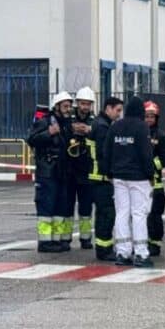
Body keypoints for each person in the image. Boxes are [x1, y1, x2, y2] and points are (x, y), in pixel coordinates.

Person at [105, 97, 156, 267]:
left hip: (119, 177)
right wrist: (150, 174)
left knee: (122, 213)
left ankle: (122, 252)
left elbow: (107, 151)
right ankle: (141, 254)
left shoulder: (115, 126)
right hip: (138, 178)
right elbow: (145, 154)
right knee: (139, 214)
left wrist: (108, 172)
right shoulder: (142, 127)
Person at [26, 91, 74, 253]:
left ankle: (57, 240)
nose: (68, 109)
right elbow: (31, 139)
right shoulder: (45, 121)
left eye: (69, 106)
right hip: (47, 172)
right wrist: (49, 133)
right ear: (57, 107)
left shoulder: (67, 124)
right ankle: (45, 242)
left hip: (62, 172)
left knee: (60, 207)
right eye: (65, 106)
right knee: (46, 207)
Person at [64, 86, 98, 250]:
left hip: (86, 170)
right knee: (67, 206)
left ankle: (85, 239)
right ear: (77, 103)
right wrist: (71, 129)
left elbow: (100, 134)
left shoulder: (95, 121)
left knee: (86, 208)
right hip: (70, 170)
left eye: (88, 104)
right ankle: (66, 239)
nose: (85, 107)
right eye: (83, 103)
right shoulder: (68, 119)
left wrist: (89, 130)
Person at [90, 96, 123, 261]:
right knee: (106, 214)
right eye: (117, 110)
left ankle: (104, 247)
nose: (119, 114)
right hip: (101, 178)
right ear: (108, 108)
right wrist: (110, 174)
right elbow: (104, 154)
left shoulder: (100, 123)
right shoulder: (103, 127)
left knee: (104, 214)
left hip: (99, 178)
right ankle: (104, 249)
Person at [144, 101, 165, 257]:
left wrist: (151, 164)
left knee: (155, 216)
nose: (149, 119)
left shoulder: (161, 136)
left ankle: (155, 244)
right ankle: (143, 242)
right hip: (141, 184)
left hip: (156, 185)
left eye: (151, 117)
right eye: (146, 116)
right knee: (141, 216)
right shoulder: (139, 134)